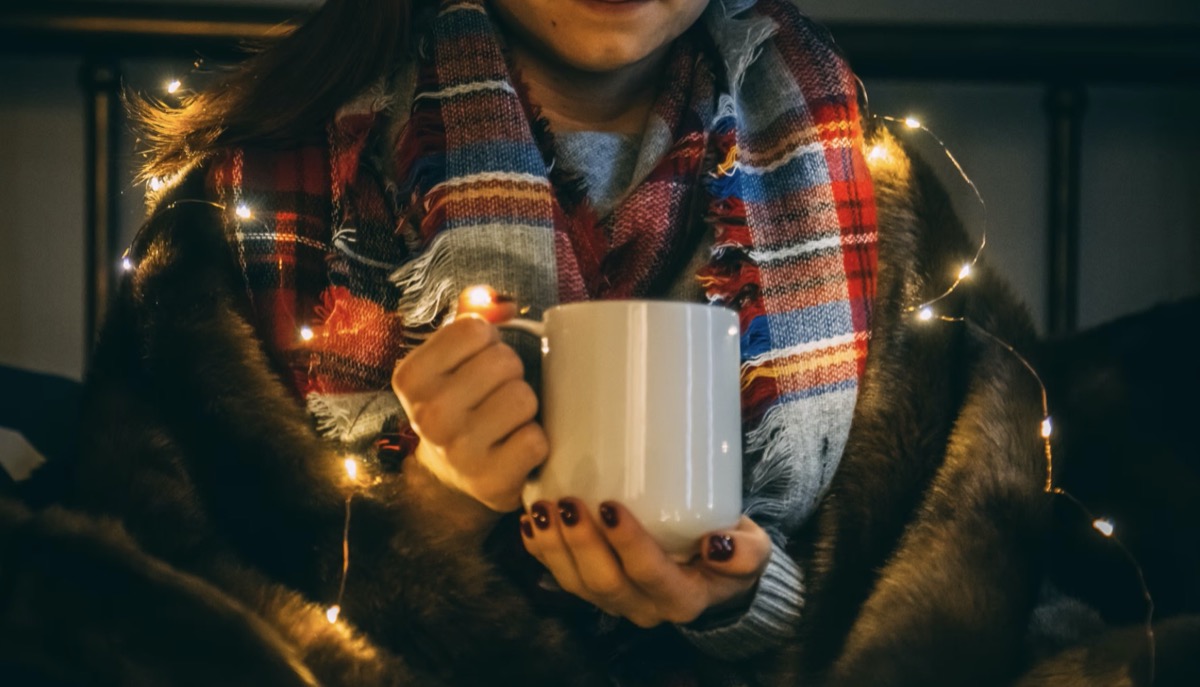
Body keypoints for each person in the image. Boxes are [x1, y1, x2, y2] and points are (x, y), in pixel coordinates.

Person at [3, 0, 1183, 685]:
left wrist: (740, 602)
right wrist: (432, 519)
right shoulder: (262, 195)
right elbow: (168, 608)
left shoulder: (868, 190)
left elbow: (956, 586)